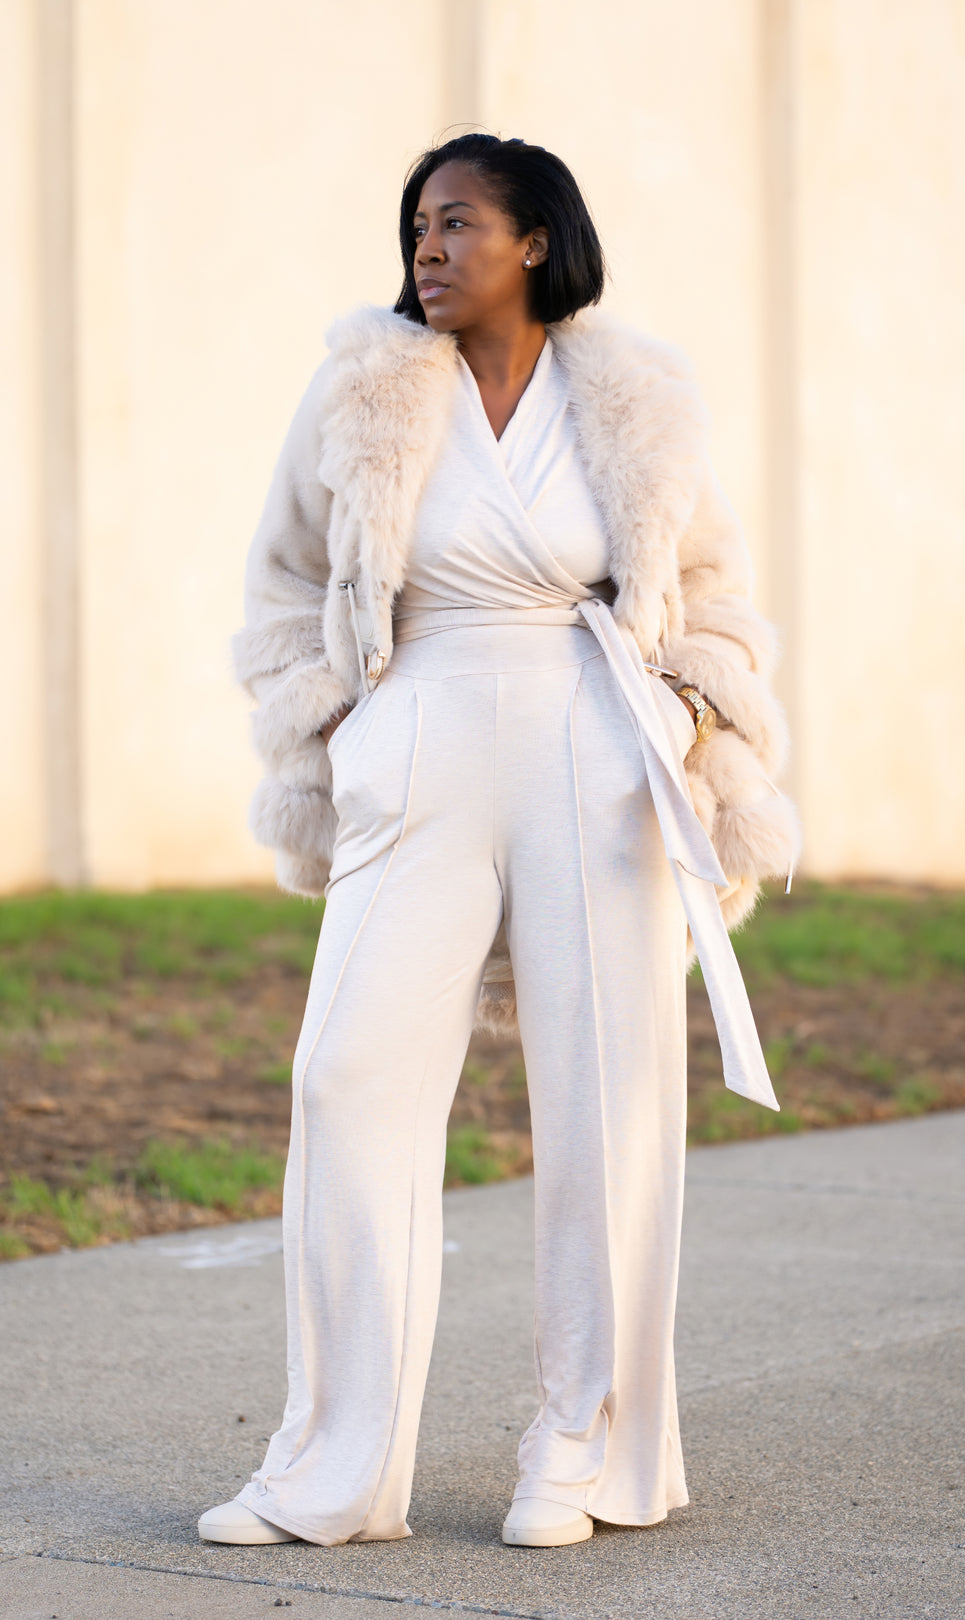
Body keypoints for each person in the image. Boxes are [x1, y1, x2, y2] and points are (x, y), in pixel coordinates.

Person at [197, 133, 799, 1552]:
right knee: (346, 1074)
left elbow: (713, 583)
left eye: (458, 221)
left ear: (534, 240)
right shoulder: (361, 387)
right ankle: (335, 1465)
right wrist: (342, 728)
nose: (428, 245)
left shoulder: (634, 392)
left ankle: (582, 1443)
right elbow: (284, 578)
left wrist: (687, 704)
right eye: (417, 223)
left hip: (596, 747)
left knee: (606, 1100)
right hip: (416, 742)